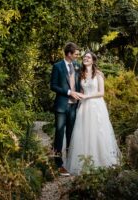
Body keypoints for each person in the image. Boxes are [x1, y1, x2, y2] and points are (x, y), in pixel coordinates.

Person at [65, 51, 120, 175]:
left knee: (98, 132)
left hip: (96, 106)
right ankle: (84, 163)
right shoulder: (81, 74)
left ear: (93, 60)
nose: (85, 58)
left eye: (88, 57)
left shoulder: (98, 74)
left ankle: (101, 161)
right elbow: (77, 89)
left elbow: (101, 93)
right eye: (84, 57)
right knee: (84, 133)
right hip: (84, 107)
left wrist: (87, 96)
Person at [50, 42, 83, 176]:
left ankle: (69, 162)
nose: (77, 56)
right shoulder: (57, 66)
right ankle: (58, 164)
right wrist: (69, 92)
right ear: (69, 54)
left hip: (74, 106)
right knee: (59, 134)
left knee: (71, 134)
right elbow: (53, 86)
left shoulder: (77, 66)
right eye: (76, 54)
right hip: (62, 106)